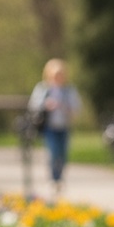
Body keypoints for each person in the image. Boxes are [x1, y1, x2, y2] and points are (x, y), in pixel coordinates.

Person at [28, 59, 83, 196]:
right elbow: (33, 106)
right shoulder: (43, 89)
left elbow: (77, 107)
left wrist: (66, 106)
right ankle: (53, 179)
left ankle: (60, 178)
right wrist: (46, 104)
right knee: (53, 153)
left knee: (63, 154)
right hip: (49, 126)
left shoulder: (69, 90)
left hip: (64, 125)